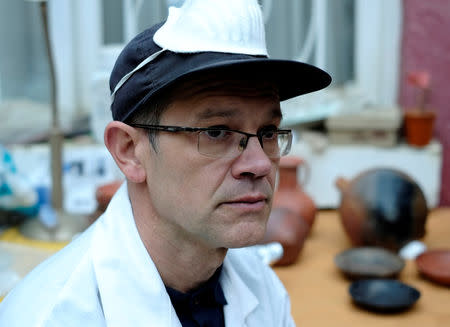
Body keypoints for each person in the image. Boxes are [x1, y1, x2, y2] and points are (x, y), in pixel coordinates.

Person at [0, 0, 330, 326]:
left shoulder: (259, 283)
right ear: (129, 151)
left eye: (268, 131)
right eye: (216, 132)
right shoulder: (51, 315)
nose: (259, 164)